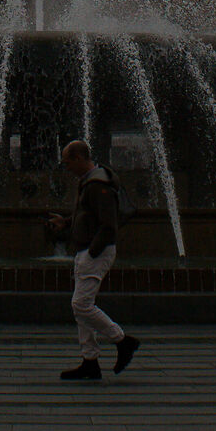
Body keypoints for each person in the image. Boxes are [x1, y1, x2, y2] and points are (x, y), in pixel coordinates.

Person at [51, 139, 140, 382]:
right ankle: (90, 361)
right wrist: (67, 223)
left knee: (81, 305)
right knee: (81, 307)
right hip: (87, 249)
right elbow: (87, 214)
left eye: (67, 161)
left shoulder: (98, 184)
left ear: (79, 158)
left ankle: (122, 340)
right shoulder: (90, 182)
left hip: (95, 252)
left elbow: (109, 225)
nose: (65, 166)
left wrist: (92, 251)